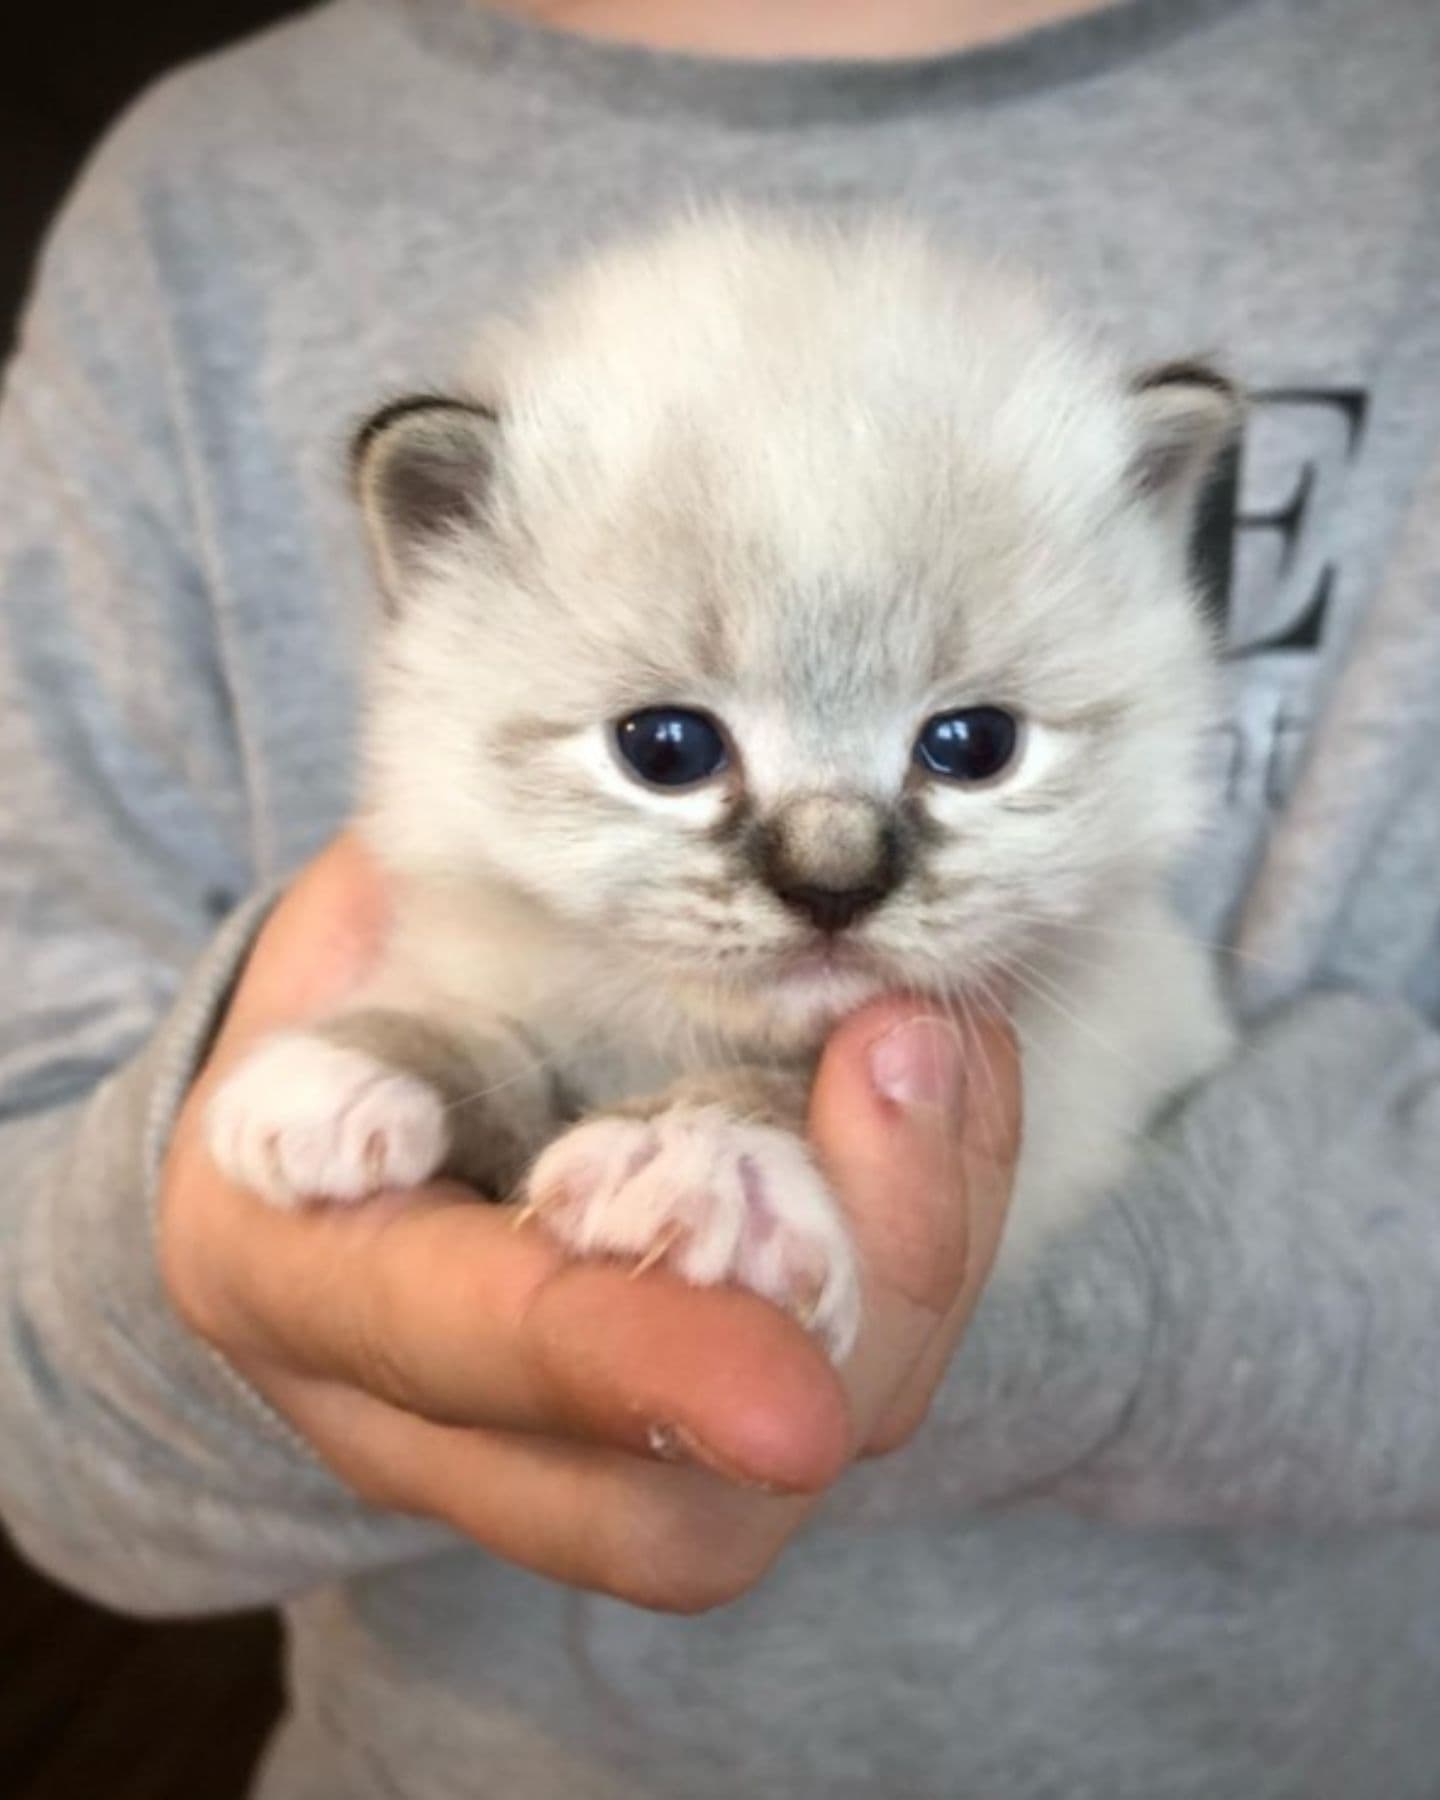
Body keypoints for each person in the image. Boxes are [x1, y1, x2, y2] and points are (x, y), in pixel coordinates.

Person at [2, 0, 1439, 1794]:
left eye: (970, 740)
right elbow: (49, 1421)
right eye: (675, 744)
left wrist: (959, 1265)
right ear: (435, 578)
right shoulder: (202, 208)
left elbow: (1101, 1100)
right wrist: (346, 1137)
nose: (832, 864)